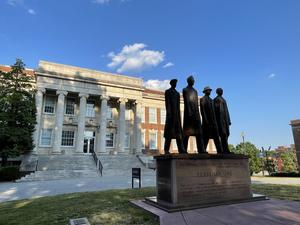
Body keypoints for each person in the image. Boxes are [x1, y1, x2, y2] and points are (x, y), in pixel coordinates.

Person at [182, 76, 206, 153]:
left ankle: (201, 150)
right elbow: (186, 101)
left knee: (199, 133)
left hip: (196, 114)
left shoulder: (195, 91)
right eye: (193, 80)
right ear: (189, 81)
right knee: (187, 133)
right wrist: (189, 112)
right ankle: (184, 150)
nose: (194, 81)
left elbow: (196, 103)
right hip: (189, 114)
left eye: (194, 80)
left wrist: (198, 115)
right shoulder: (185, 90)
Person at [164, 79, 186, 154]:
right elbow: (167, 103)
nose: (175, 84)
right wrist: (169, 112)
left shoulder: (177, 93)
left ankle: (181, 149)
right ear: (171, 84)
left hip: (177, 115)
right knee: (169, 134)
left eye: (176, 83)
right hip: (171, 115)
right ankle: (166, 150)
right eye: (174, 83)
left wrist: (179, 116)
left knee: (178, 133)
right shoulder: (168, 92)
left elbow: (178, 105)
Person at [200, 86, 223, 153]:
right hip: (207, 122)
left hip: (213, 122)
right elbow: (203, 111)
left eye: (210, 90)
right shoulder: (202, 99)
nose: (209, 91)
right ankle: (203, 150)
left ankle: (220, 150)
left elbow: (214, 112)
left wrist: (215, 121)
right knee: (206, 137)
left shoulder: (211, 100)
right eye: (208, 90)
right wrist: (205, 120)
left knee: (216, 137)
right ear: (205, 91)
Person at [214, 88, 231, 153]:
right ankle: (224, 150)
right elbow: (218, 111)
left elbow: (226, 111)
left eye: (222, 90)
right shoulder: (216, 100)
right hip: (220, 121)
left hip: (225, 120)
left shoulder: (223, 99)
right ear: (217, 92)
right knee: (223, 134)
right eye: (220, 91)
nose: (222, 92)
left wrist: (228, 120)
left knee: (226, 134)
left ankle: (224, 149)